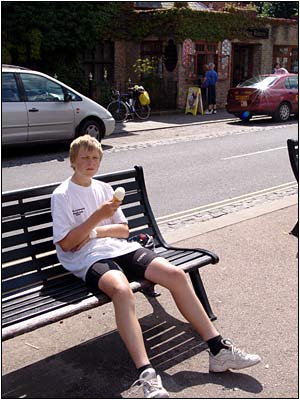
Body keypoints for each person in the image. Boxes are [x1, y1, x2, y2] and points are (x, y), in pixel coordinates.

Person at [51, 135, 261, 399]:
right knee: (122, 290)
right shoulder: (62, 195)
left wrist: (95, 230)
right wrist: (98, 219)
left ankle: (218, 350)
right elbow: (69, 244)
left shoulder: (104, 188)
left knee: (175, 274)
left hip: (119, 248)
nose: (90, 162)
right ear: (73, 161)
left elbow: (123, 230)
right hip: (87, 259)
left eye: (95, 157)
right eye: (84, 158)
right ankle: (147, 374)